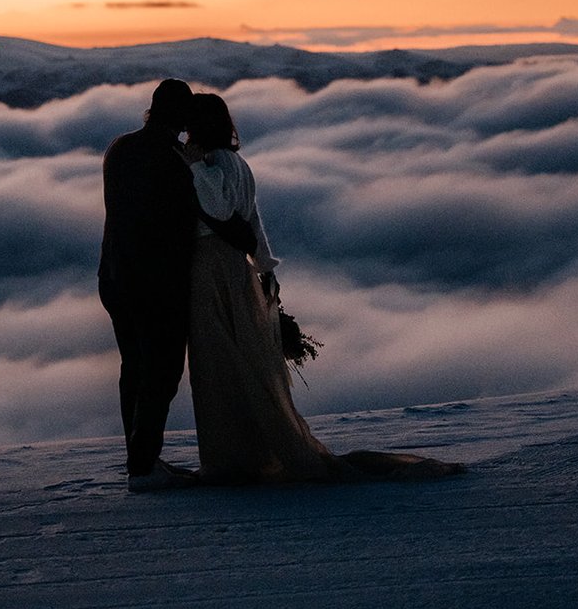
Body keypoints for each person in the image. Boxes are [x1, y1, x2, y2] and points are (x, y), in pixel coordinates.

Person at [184, 92, 466, 485]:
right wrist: (264, 268)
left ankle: (235, 456)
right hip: (235, 270)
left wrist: (195, 166)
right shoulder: (241, 164)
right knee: (245, 362)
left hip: (212, 270)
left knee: (219, 363)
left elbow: (217, 210)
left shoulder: (212, 165)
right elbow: (252, 221)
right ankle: (252, 451)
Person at [98, 78, 199, 492]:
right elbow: (184, 222)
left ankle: (138, 457)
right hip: (156, 281)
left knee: (134, 368)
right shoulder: (174, 158)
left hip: (114, 276)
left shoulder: (119, 149)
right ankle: (144, 463)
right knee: (163, 370)